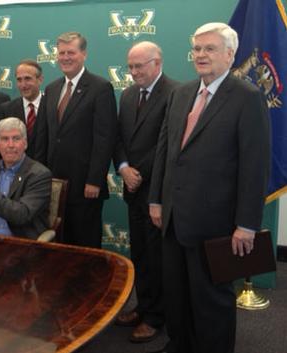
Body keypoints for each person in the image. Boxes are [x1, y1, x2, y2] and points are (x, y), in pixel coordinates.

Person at [148, 22, 270, 353]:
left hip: (216, 222)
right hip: (173, 217)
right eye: (197, 49)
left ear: (230, 54)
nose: (201, 55)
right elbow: (166, 149)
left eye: (210, 48)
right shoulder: (181, 93)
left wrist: (246, 224)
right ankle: (180, 344)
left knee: (211, 299)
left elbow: (254, 166)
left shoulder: (248, 98)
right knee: (177, 293)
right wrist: (156, 200)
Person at [113, 41, 178, 343]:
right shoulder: (127, 95)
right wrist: (124, 167)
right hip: (131, 187)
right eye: (130, 66)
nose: (134, 72)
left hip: (157, 193)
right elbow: (118, 138)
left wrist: (140, 173)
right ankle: (144, 305)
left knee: (157, 257)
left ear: (157, 62)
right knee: (139, 253)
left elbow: (169, 144)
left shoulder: (176, 93)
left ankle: (156, 317)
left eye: (140, 66)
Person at [34, 31, 117, 248]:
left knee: (85, 244)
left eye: (71, 52)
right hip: (54, 184)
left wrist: (94, 180)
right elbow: (42, 137)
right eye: (61, 53)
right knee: (59, 244)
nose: (65, 57)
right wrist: (39, 178)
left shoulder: (100, 88)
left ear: (84, 54)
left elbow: (104, 138)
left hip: (85, 185)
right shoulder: (51, 89)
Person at [0, 59, 44, 158]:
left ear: (40, 79)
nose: (23, 85)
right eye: (19, 80)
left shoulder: (52, 106)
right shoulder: (6, 110)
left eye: (28, 79)